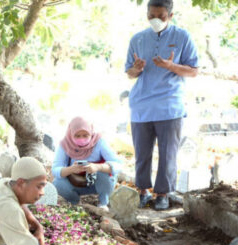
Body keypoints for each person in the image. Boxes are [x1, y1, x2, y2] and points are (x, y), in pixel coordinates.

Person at [125, 0, 198, 210]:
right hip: (141, 106)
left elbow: (193, 71)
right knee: (142, 152)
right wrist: (136, 69)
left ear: (171, 16)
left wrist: (171, 66)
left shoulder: (182, 37)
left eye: (161, 16)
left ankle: (163, 194)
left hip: (170, 105)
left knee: (168, 154)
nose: (155, 20)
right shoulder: (137, 39)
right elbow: (129, 73)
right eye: (151, 16)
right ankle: (142, 191)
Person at [52, 117, 121, 209]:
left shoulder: (99, 142)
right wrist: (70, 169)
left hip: (98, 182)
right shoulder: (65, 144)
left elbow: (118, 164)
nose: (82, 139)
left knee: (105, 173)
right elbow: (55, 169)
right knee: (57, 182)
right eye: (77, 136)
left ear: (91, 133)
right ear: (71, 134)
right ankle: (74, 203)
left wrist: (98, 167)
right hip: (75, 181)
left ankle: (103, 202)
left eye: (85, 135)